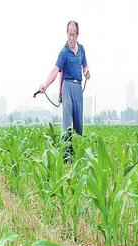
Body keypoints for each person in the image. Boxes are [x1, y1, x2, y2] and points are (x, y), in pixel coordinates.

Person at [40, 20, 90, 160]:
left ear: (77, 35)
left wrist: (86, 72)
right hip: (67, 86)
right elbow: (56, 70)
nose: (71, 38)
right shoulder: (63, 52)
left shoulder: (82, 50)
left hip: (78, 87)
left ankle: (79, 155)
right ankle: (66, 156)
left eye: (73, 35)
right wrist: (45, 85)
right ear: (67, 34)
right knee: (67, 123)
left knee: (79, 123)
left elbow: (85, 66)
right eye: (69, 35)